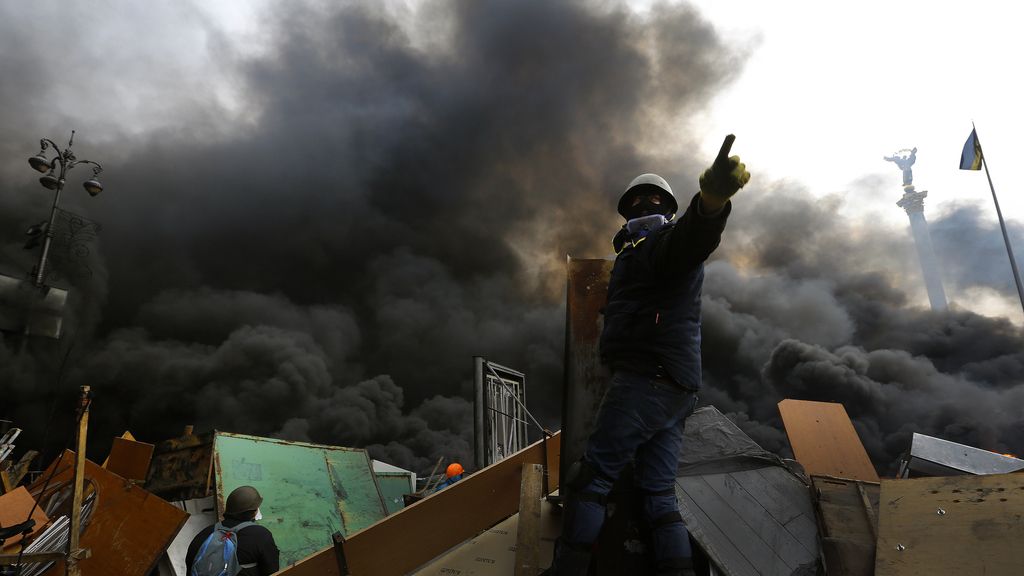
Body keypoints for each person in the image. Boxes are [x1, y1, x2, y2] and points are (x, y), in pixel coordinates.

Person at [547, 137, 750, 576]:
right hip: (675, 386)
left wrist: (711, 203)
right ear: (625, 211)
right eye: (637, 200)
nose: (644, 205)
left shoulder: (662, 242)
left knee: (592, 478)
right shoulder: (634, 253)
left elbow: (695, 237)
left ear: (670, 209)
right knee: (658, 491)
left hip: (647, 379)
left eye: (654, 200)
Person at [185, 485, 280, 576]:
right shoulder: (261, 535)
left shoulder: (204, 534)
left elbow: (190, 568)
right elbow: (272, 571)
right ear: (254, 512)